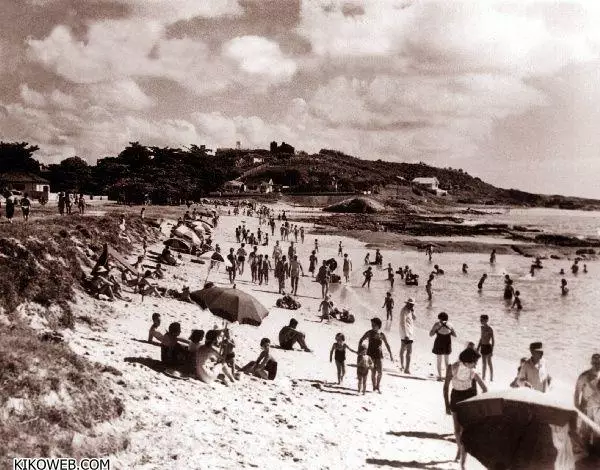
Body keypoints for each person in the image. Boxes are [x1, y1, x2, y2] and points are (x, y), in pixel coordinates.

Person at [443, 348, 487, 470]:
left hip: (468, 399)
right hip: (456, 397)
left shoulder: (473, 371)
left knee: (465, 432)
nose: (476, 364)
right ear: (467, 361)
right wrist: (446, 405)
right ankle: (459, 448)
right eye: (474, 362)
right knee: (457, 431)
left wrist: (479, 403)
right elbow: (446, 387)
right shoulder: (452, 368)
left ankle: (463, 462)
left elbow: (485, 389)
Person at [358, 317, 394, 393]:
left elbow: (387, 344)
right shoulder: (369, 333)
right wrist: (360, 349)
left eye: (374, 325)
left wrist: (390, 354)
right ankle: (374, 387)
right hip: (370, 354)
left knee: (380, 372)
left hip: (379, 355)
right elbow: (361, 339)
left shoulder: (382, 334)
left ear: (378, 325)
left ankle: (378, 386)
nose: (372, 326)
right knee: (373, 372)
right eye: (372, 324)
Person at [574, 354, 600, 450]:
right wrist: (576, 410)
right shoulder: (584, 376)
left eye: (599, 363)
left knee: (597, 435)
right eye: (595, 363)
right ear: (591, 363)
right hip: (585, 410)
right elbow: (577, 393)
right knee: (585, 434)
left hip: (598, 410)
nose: (597, 365)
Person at [430, 312, 457, 381]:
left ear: (440, 318)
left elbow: (431, 334)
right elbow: (455, 335)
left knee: (439, 361)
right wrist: (448, 332)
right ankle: (447, 376)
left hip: (439, 342)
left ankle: (439, 376)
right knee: (447, 361)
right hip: (447, 343)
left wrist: (436, 331)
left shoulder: (437, 324)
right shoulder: (450, 324)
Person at [399, 298, 416, 374]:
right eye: (411, 304)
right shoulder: (404, 311)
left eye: (413, 304)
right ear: (407, 304)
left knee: (404, 349)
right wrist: (406, 334)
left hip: (410, 332)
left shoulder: (410, 310)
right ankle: (406, 368)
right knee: (408, 350)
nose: (412, 305)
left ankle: (403, 366)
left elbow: (414, 318)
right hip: (406, 333)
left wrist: (413, 312)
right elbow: (403, 323)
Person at [477, 315, 495, 381]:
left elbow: (493, 340)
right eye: (480, 320)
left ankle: (491, 377)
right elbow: (481, 338)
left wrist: (492, 351)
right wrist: (478, 347)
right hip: (483, 346)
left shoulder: (490, 329)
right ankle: (483, 377)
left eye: (482, 320)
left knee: (489, 363)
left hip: (488, 347)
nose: (481, 321)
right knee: (484, 363)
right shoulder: (481, 328)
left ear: (486, 320)